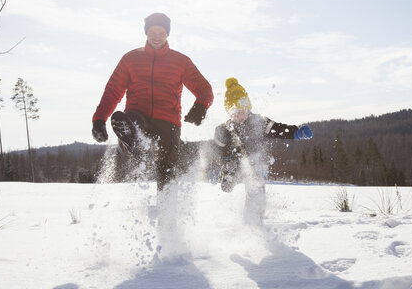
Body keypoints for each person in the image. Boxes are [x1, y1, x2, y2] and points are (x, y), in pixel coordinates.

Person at [92, 12, 214, 191]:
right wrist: (99, 119)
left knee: (167, 176)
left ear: (167, 34)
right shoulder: (130, 59)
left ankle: (167, 213)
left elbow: (205, 90)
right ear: (146, 33)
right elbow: (113, 90)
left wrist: (200, 107)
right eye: (153, 32)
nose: (157, 37)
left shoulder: (181, 61)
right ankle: (134, 144)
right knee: (131, 121)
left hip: (168, 124)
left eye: (161, 33)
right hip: (137, 117)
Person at [213, 77, 312, 225]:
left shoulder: (259, 122)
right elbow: (217, 150)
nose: (240, 116)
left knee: (257, 186)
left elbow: (279, 129)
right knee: (232, 167)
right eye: (235, 113)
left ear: (248, 109)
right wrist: (223, 155)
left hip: (254, 162)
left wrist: (295, 132)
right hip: (233, 161)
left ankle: (253, 223)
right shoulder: (225, 129)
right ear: (230, 113)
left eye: (243, 112)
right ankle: (228, 177)